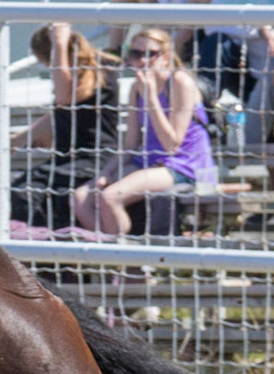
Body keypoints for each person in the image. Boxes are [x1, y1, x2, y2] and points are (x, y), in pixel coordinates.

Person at [71, 29, 216, 237]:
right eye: (135, 54)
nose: (141, 61)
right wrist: (106, 173)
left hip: (184, 165)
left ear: (165, 57)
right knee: (81, 197)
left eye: (149, 54)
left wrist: (151, 99)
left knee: (110, 197)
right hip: (149, 161)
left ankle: (123, 254)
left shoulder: (180, 82)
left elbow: (172, 145)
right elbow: (131, 143)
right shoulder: (136, 88)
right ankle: (108, 247)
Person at [10, 24, 120, 229]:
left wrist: (58, 45)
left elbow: (63, 99)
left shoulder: (101, 69)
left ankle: (40, 242)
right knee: (25, 189)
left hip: (95, 157)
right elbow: (59, 112)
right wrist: (19, 139)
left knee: (26, 192)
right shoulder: (69, 79)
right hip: (69, 157)